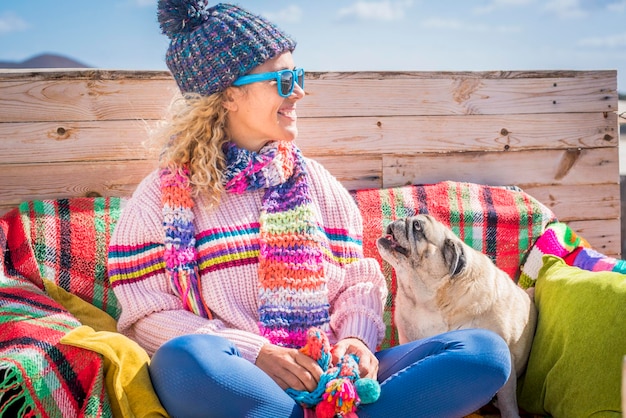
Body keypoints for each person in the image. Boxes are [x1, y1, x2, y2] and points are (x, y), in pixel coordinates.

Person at [107, 1, 512, 417]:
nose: (299, 90)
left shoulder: (314, 182)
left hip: (333, 375)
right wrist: (258, 354)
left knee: (484, 353)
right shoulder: (158, 200)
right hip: (241, 379)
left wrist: (354, 341)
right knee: (183, 360)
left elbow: (356, 280)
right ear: (229, 94)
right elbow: (148, 318)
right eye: (283, 79)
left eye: (298, 76)